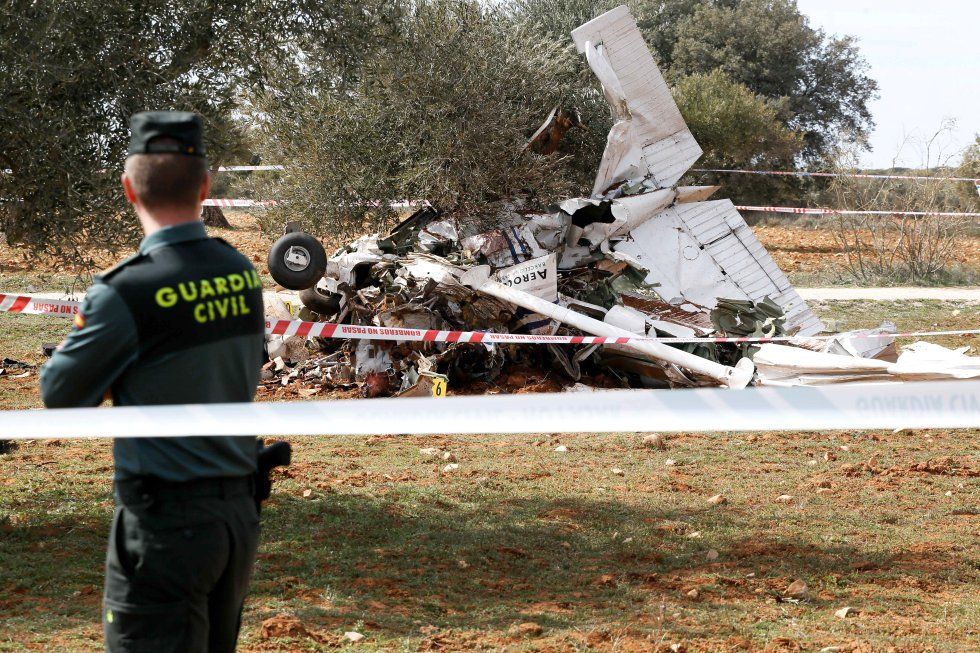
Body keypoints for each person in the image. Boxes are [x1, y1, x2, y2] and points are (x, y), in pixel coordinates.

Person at [40, 111, 266, 652]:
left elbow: (60, 394)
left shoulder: (124, 292)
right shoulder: (240, 272)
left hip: (165, 525)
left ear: (127, 189)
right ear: (206, 188)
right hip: (236, 516)